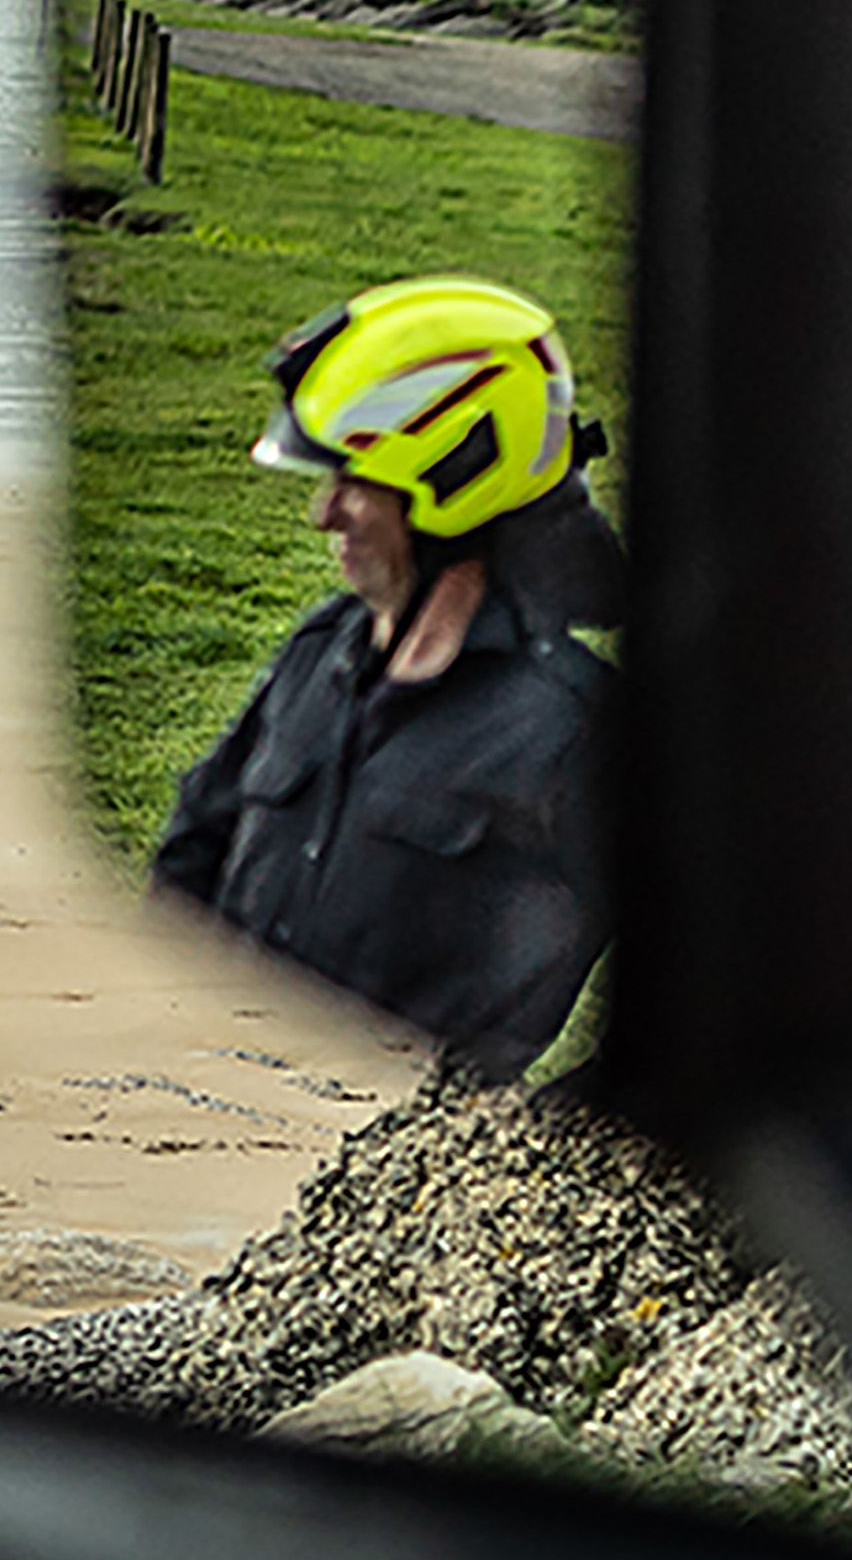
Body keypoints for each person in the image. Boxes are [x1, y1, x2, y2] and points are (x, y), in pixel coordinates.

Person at [146, 275, 623, 1084]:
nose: (323, 514)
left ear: (457, 478)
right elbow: (190, 855)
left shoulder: (576, 728)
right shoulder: (321, 650)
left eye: (354, 483)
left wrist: (513, 1144)